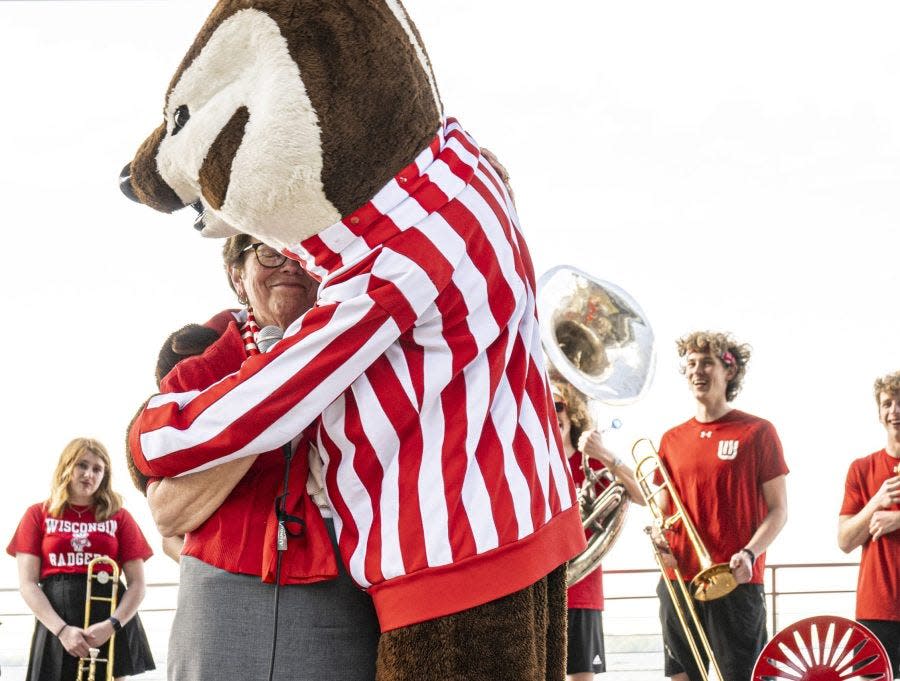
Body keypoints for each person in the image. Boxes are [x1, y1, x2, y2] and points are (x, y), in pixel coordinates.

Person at [143, 233, 380, 681]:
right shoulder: (196, 373)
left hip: (340, 587)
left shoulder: (368, 360)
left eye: (302, 255)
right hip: (219, 591)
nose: (290, 265)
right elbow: (166, 515)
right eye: (270, 252)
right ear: (237, 275)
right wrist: (271, 399)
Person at [652, 331, 789, 681]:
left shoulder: (758, 431)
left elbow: (779, 510)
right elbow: (663, 512)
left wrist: (750, 553)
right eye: (691, 363)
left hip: (735, 579)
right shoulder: (671, 438)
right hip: (679, 580)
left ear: (729, 371)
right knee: (682, 676)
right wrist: (657, 536)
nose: (697, 371)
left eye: (707, 363)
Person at [6, 437, 155, 681]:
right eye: (82, 465)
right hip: (56, 622)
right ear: (66, 467)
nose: (89, 474)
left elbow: (138, 584)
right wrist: (62, 631)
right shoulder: (37, 513)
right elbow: (27, 584)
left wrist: (111, 625)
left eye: (98, 469)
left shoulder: (120, 516)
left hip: (108, 621)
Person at [552, 381, 645, 681]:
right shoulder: (533, 465)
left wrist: (605, 454)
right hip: (541, 591)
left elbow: (644, 496)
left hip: (581, 591)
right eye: (545, 406)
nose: (553, 414)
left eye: (559, 406)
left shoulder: (590, 463)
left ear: (573, 412)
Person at [839, 370, 900, 678]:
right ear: (879, 412)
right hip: (875, 611)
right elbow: (845, 541)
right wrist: (876, 500)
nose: (895, 411)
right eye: (888, 403)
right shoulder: (861, 470)